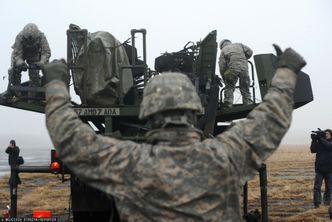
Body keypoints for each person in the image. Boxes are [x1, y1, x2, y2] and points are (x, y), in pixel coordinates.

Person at [42, 44, 306, 221]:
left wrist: (55, 83)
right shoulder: (226, 156)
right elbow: (272, 118)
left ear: (148, 115)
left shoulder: (126, 162)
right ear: (193, 112)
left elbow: (69, 136)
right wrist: (286, 71)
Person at [9, 23, 51, 97]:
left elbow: (46, 52)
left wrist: (42, 62)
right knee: (14, 70)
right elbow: (17, 54)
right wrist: (20, 63)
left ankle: (32, 96)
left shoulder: (41, 36)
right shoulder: (20, 37)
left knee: (34, 75)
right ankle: (17, 93)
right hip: (21, 54)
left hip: (34, 54)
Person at [218, 39, 253, 108]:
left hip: (232, 69)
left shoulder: (223, 50)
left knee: (229, 87)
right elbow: (250, 51)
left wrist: (223, 76)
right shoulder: (239, 45)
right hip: (244, 69)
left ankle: (228, 104)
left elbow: (222, 65)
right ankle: (248, 103)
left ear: (222, 46)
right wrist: (244, 58)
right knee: (245, 87)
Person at [310, 129, 332, 208]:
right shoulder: (321, 142)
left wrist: (320, 138)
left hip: (330, 170)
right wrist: (314, 140)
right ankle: (317, 205)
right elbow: (313, 150)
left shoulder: (330, 142)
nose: (326, 135)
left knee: (329, 188)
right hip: (319, 170)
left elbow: (329, 146)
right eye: (325, 134)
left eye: (328, 134)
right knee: (317, 188)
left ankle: (326, 203)